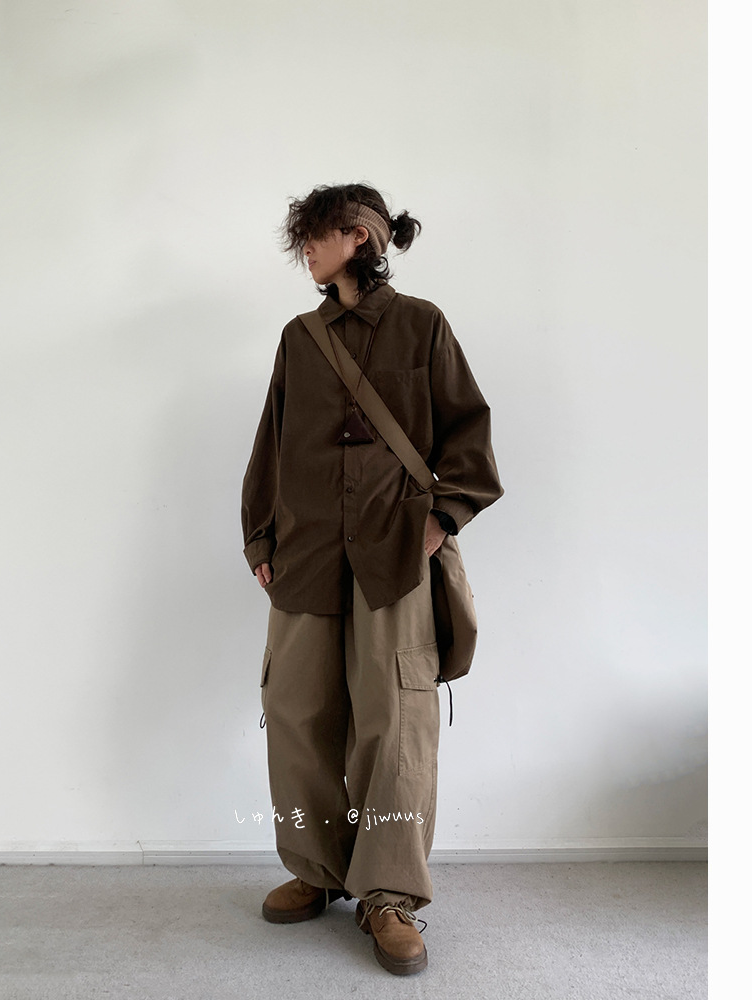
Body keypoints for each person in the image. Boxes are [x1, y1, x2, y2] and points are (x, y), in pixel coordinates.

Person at [241, 183, 502, 975]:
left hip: (395, 559)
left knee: (395, 724)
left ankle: (388, 894)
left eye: (315, 236)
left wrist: (439, 521)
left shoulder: (422, 325)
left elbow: (468, 433)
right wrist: (261, 535)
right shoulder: (299, 338)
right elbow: (273, 440)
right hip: (307, 556)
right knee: (297, 713)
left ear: (358, 235)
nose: (305, 252)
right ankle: (316, 869)